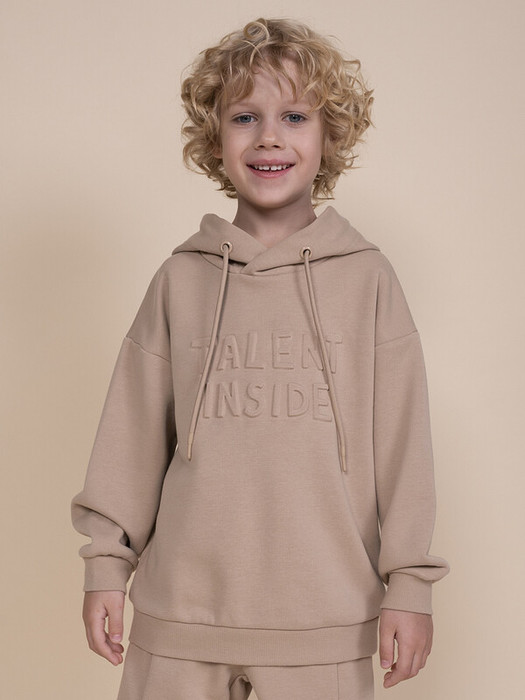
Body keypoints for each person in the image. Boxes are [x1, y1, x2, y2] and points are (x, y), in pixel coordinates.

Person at [71, 17, 449, 700]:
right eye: (244, 116)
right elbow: (129, 434)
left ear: (329, 135)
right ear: (214, 137)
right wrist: (105, 566)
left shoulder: (367, 280)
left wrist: (410, 585)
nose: (269, 137)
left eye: (294, 116)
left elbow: (403, 446)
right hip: (179, 624)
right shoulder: (181, 279)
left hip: (323, 627)